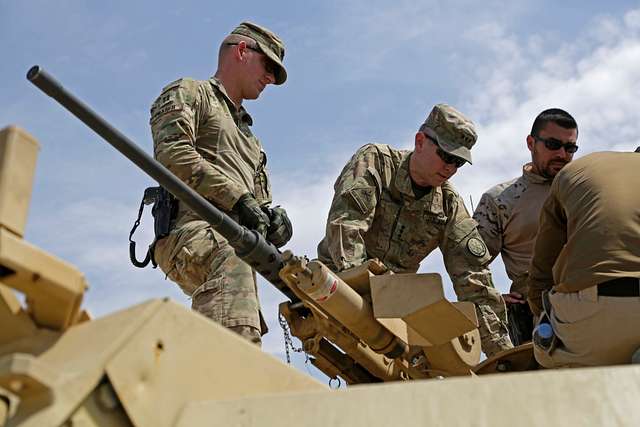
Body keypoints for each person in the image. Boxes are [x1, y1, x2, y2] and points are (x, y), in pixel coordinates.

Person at [317, 104, 513, 357]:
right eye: (446, 155)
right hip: (339, 286)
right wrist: (364, 289)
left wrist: (502, 356)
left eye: (458, 163)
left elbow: (474, 281)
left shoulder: (449, 205)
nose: (450, 168)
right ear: (420, 141)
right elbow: (346, 226)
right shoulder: (376, 161)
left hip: (393, 308)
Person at [149, 22, 292, 346]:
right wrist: (238, 198)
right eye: (268, 66)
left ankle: (239, 369)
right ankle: (226, 376)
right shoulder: (191, 93)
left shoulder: (251, 141)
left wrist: (274, 222)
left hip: (235, 241)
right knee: (231, 265)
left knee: (243, 303)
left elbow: (258, 204)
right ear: (242, 50)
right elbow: (173, 154)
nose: (270, 78)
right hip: (190, 230)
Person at [473, 109, 578, 344]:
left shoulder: (586, 190)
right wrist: (493, 300)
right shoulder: (501, 200)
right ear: (531, 143)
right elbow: (469, 264)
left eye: (570, 148)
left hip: (590, 303)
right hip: (537, 317)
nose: (562, 154)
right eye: (553, 144)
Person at [528, 151, 640, 367]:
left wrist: (538, 310)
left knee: (544, 354)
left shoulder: (574, 171)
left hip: (592, 317)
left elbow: (543, 263)